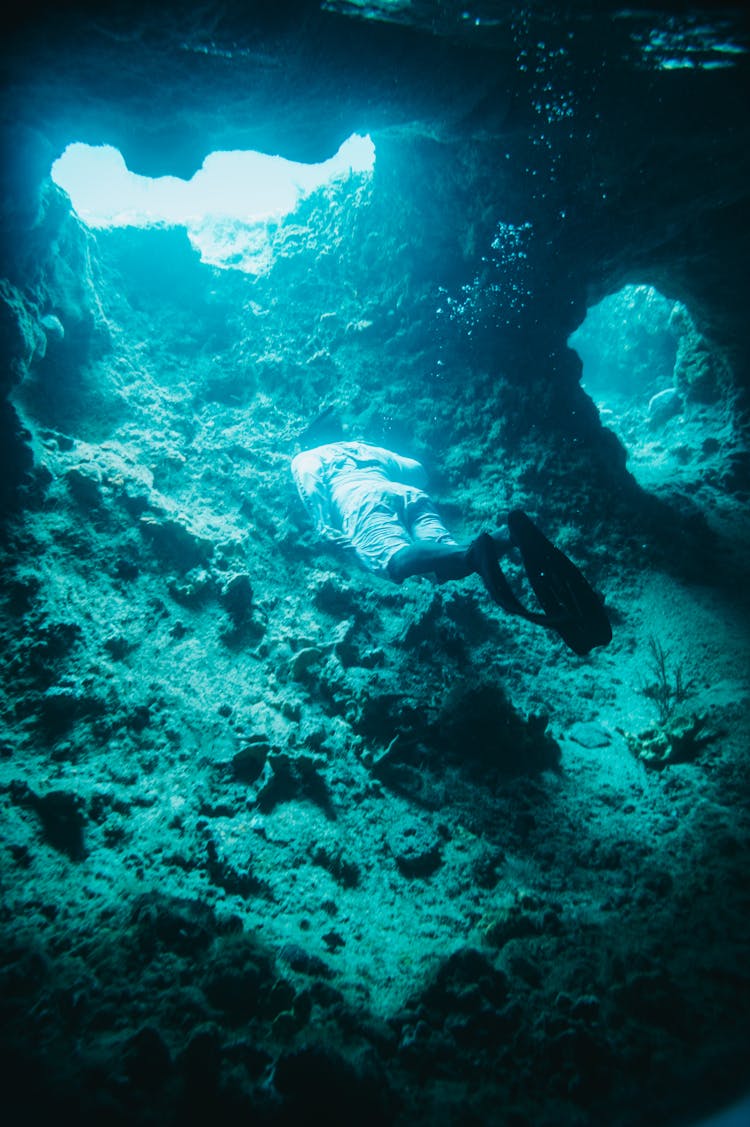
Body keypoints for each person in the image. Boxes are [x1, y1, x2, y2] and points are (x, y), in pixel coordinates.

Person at [291, 439, 612, 656]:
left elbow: (309, 478)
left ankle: (473, 551)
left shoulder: (309, 456)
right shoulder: (366, 448)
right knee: (440, 566)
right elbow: (418, 471)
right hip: (406, 492)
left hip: (360, 500)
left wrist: (321, 522)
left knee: (396, 561)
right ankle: (505, 536)